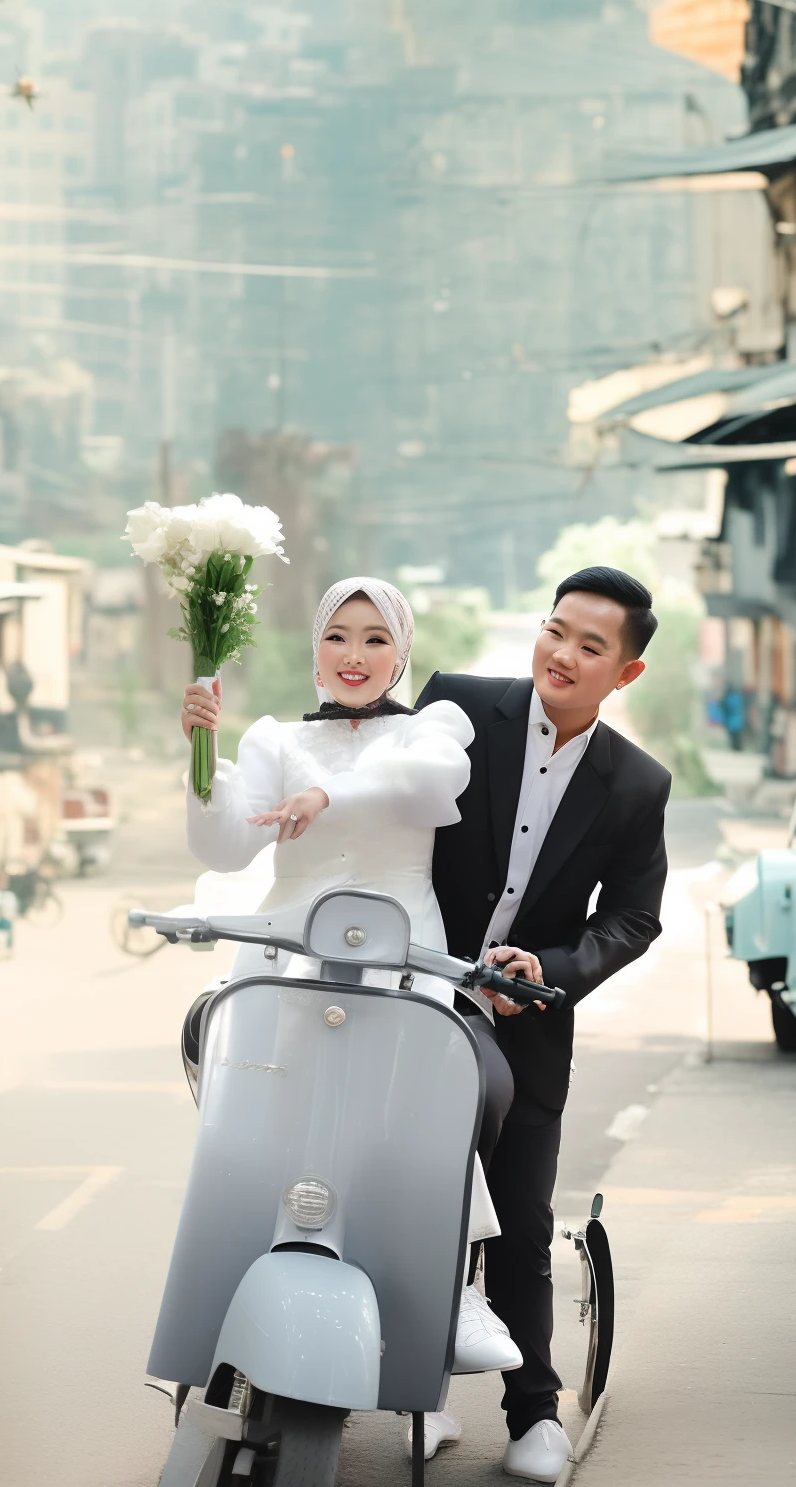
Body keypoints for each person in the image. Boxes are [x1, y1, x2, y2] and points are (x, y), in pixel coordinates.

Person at [180, 576, 527, 1399]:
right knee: (269, 1127)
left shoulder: (437, 727)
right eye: (339, 636)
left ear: (402, 651)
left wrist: (327, 793)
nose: (356, 656)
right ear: (315, 649)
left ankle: (455, 1293)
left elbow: (429, 786)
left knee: (415, 1120)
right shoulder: (272, 738)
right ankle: (238, 1283)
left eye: (376, 638)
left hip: (400, 953)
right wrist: (201, 760)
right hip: (287, 955)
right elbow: (225, 848)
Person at [413, 565, 669, 1482]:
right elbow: (376, 791)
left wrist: (550, 974)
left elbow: (633, 918)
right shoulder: (456, 705)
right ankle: (419, 1395)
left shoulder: (637, 785)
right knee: (414, 1204)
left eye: (591, 646)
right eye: (556, 630)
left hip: (527, 1031)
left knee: (520, 1221)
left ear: (624, 673)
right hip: (412, 1002)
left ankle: (535, 1415)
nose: (562, 654)